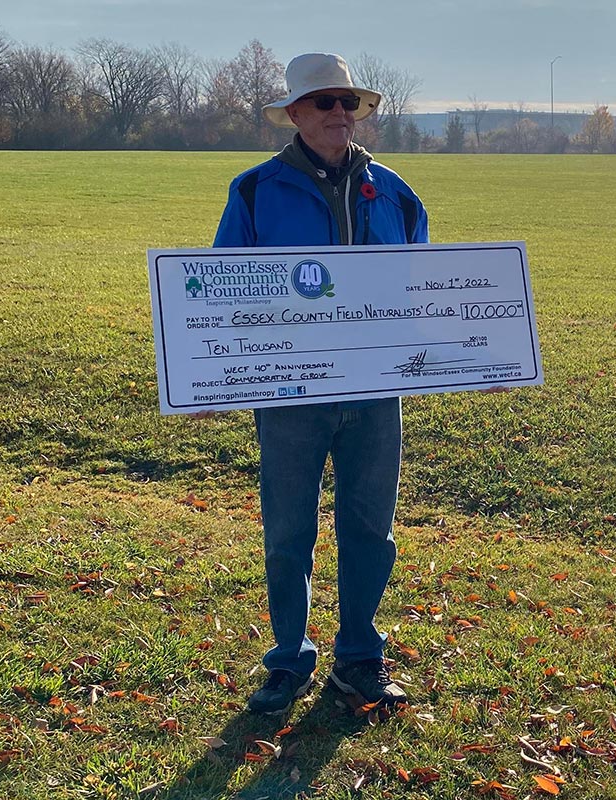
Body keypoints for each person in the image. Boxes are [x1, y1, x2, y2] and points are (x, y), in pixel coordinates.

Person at [211, 52, 427, 715]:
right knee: (287, 533)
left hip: (373, 394)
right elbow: (219, 295)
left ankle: (359, 659)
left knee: (371, 530)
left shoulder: (394, 191)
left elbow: (425, 290)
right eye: (325, 102)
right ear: (296, 113)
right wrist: (209, 380)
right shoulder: (253, 190)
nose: (340, 113)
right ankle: (288, 663)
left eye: (348, 103)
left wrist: (479, 360)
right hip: (290, 396)